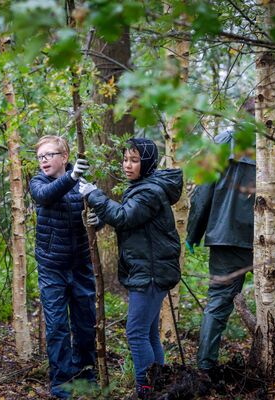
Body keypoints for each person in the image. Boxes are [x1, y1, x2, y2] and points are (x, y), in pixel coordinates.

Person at [78, 138, 182, 399]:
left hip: (151, 272)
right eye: (125, 159)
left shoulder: (149, 191)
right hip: (148, 269)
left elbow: (125, 216)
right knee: (148, 333)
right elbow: (130, 219)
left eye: (134, 160)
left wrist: (94, 195)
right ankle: (159, 387)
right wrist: (102, 218)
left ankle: (144, 390)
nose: (127, 165)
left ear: (146, 163)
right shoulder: (144, 186)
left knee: (136, 333)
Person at [186, 129, 275, 372]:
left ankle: (205, 368)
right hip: (266, 238)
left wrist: (194, 231)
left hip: (226, 237)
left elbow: (203, 191)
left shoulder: (223, 141)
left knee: (217, 302)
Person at [29, 135, 99, 399]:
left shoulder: (82, 184)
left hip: (81, 265)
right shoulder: (38, 182)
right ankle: (62, 383)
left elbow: (97, 215)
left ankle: (87, 376)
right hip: (52, 267)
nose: (44, 161)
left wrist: (96, 219)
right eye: (40, 157)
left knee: (85, 323)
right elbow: (45, 197)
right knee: (57, 325)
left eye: (49, 155)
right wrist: (71, 179)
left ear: (64, 157)